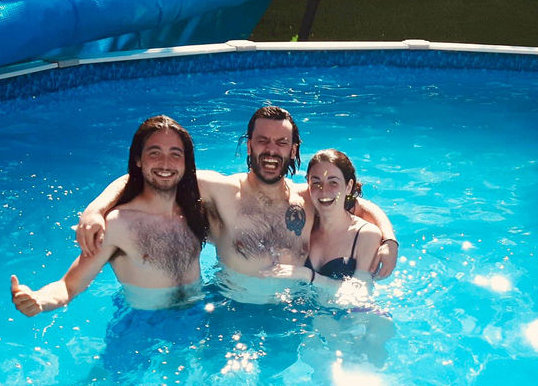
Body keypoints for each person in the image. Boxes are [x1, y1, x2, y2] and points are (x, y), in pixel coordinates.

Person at [75, 106, 399, 280]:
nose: (271, 150)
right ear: (249, 144)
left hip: (292, 312)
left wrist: (388, 240)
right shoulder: (221, 190)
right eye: (263, 141)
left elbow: (357, 204)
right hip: (232, 313)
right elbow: (153, 174)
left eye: (281, 143)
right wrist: (94, 211)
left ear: (293, 150)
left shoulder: (309, 196)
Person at [11, 115, 208, 316]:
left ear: (186, 163)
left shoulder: (196, 211)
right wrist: (40, 300)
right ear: (138, 160)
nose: (165, 163)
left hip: (199, 313)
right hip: (146, 328)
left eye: (175, 154)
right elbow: (69, 285)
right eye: (154, 152)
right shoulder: (118, 224)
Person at [261, 149, 382, 289]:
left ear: (348, 187)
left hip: (352, 311)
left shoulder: (366, 235)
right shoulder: (303, 227)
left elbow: (360, 293)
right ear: (308, 185)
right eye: (316, 182)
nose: (324, 190)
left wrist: (309, 276)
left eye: (333, 183)